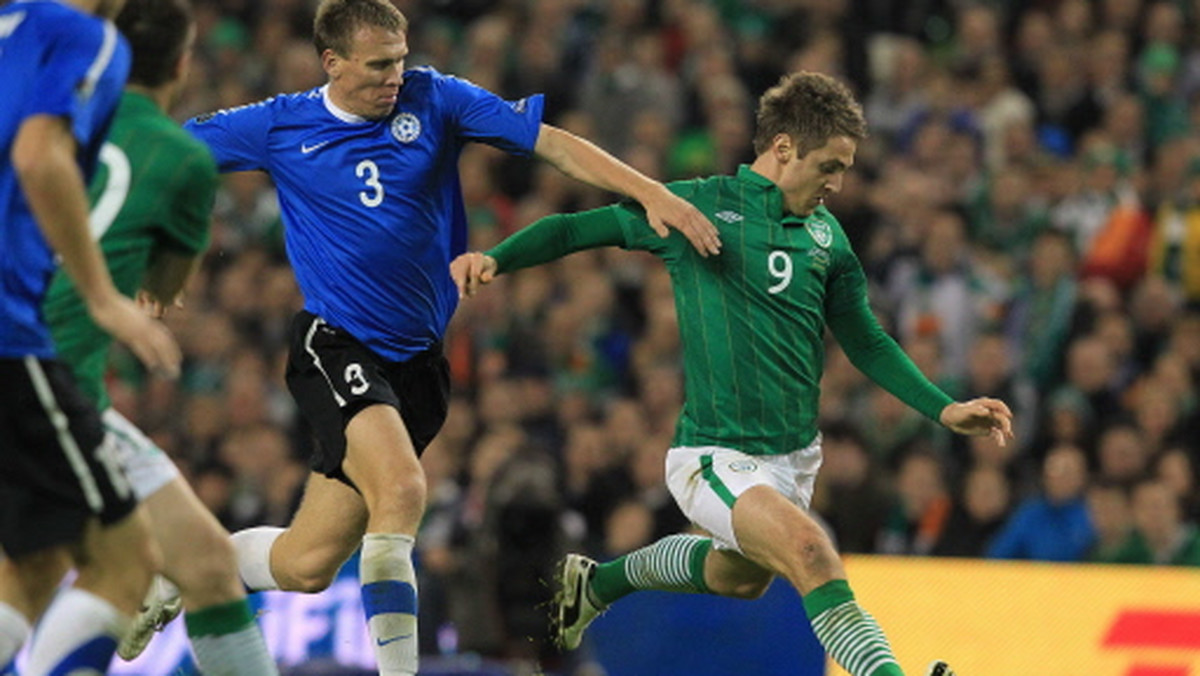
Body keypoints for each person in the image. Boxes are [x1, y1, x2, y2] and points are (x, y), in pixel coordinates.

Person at [161, 0, 720, 673]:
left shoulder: (436, 97)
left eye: (398, 60)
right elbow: (168, 158)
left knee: (307, 564)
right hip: (335, 342)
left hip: (418, 363)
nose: (393, 77)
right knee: (403, 490)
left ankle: (185, 573)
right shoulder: (280, 125)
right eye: (376, 67)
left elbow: (551, 143)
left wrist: (649, 191)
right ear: (331, 62)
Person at [452, 72, 1014, 676]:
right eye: (829, 166)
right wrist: (496, 257)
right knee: (812, 554)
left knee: (735, 579)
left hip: (795, 459)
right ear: (783, 149)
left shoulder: (828, 237)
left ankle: (599, 583)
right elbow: (577, 228)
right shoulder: (697, 206)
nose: (838, 183)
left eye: (845, 169)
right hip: (714, 456)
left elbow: (866, 340)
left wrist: (944, 408)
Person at [39, 0, 279, 671]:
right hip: (50, 385)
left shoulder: (42, 118)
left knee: (201, 564)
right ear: (181, 61)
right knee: (101, 574)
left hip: (50, 381)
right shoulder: (181, 158)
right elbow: (162, 292)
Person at [0, 0, 182, 672]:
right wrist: (103, 296)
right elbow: (38, 155)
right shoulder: (84, 38)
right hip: (8, 335)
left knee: (37, 560)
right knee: (127, 558)